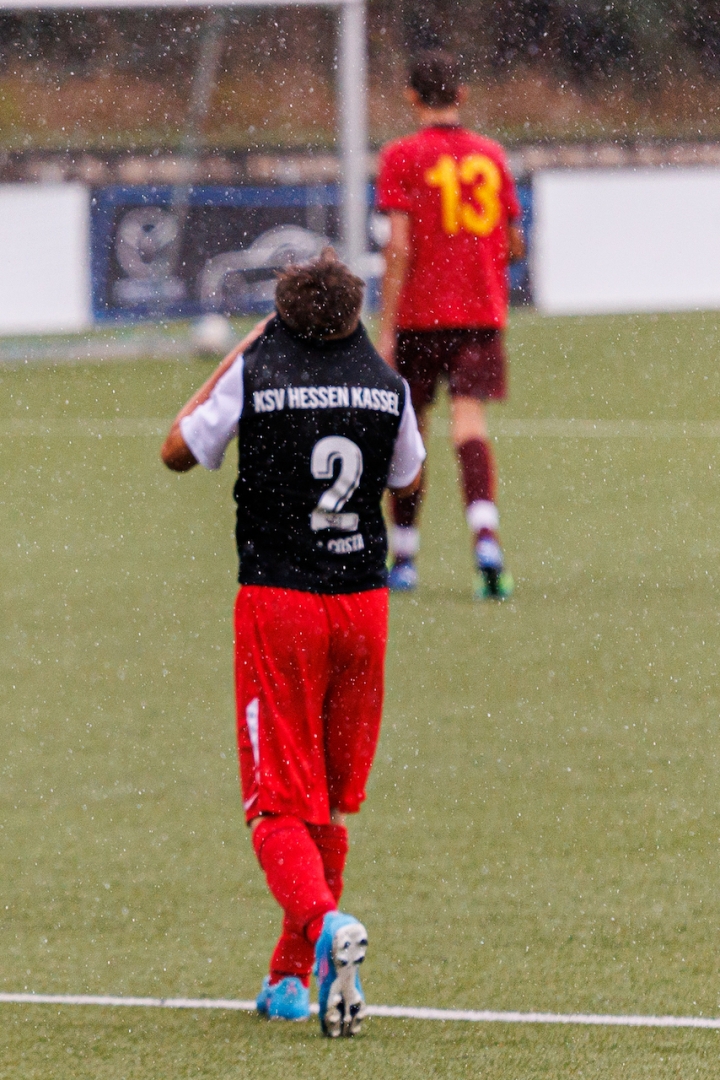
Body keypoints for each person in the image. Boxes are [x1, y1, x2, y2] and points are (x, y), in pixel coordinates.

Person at [161, 250, 425, 1036]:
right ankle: (287, 979)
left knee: (276, 799)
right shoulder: (386, 384)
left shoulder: (259, 370)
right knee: (328, 799)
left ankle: (322, 926)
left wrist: (240, 355)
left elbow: (176, 450)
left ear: (280, 316)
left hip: (281, 602)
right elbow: (408, 479)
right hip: (363, 604)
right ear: (351, 315)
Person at [376, 51, 525, 599]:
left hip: (420, 316)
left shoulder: (400, 156)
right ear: (461, 95)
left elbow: (398, 247)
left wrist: (387, 327)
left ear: (411, 97)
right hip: (479, 315)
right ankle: (485, 539)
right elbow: (513, 242)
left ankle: (404, 558)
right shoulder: (491, 155)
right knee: (470, 424)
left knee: (409, 432)